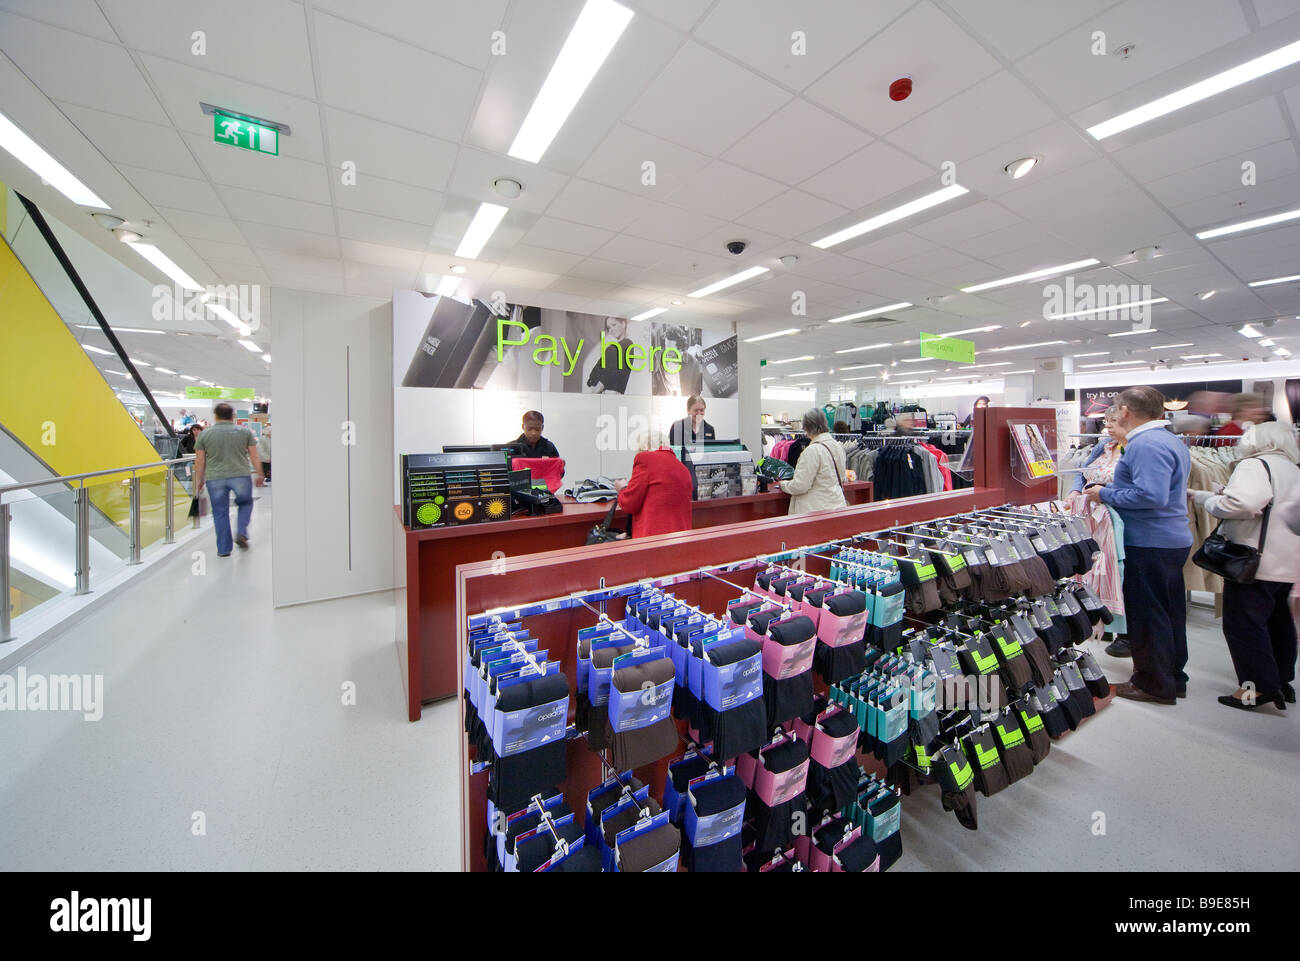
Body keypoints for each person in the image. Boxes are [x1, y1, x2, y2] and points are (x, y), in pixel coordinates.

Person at [1085, 386, 1191, 705]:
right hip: (1168, 538)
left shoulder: (1144, 444)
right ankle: (1172, 676)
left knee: (1148, 614)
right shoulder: (1169, 440)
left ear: (1126, 411)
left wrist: (1103, 493)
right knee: (1169, 611)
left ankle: (1153, 682)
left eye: (1116, 409)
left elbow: (1150, 496)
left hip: (1149, 540)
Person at [1189, 423, 1300, 711]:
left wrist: (1210, 500)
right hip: (1286, 559)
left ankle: (1256, 688)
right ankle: (1281, 680)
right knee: (1278, 621)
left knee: (1244, 625)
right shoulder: (1291, 467)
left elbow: (1244, 504)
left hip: (1254, 560)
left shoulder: (1254, 465)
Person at [1069, 406, 1130, 656]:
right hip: (1092, 518)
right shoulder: (1104, 446)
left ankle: (1124, 632)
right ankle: (1099, 618)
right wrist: (1075, 491)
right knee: (1094, 568)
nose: (1109, 426)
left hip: (1118, 519)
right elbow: (1081, 471)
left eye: (1114, 421)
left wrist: (1103, 492)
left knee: (1117, 571)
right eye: (1106, 421)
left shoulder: (1133, 451)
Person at [194, 402, 263, 557]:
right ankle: (242, 532)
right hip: (240, 475)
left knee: (220, 512)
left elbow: (200, 461)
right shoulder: (245, 432)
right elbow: (254, 455)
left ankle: (224, 549)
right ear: (233, 416)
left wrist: (199, 480)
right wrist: (259, 473)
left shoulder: (204, 434)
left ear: (216, 416)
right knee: (245, 503)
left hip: (215, 477)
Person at [615, 430, 694, 537]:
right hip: (681, 540)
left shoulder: (645, 459)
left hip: (653, 541)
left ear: (645, 446)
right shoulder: (684, 469)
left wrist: (622, 488)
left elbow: (629, 503)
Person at [778, 409, 848, 515]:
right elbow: (842, 477)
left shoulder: (812, 451)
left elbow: (800, 485)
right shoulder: (837, 446)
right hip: (837, 505)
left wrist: (783, 484)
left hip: (815, 511)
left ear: (806, 427)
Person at [586, 317, 632, 394]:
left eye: (614, 325)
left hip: (608, 393)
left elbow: (609, 373)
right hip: (602, 393)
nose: (611, 330)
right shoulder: (612, 348)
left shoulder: (626, 344)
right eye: (609, 328)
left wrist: (596, 390)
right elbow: (597, 371)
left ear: (623, 324)